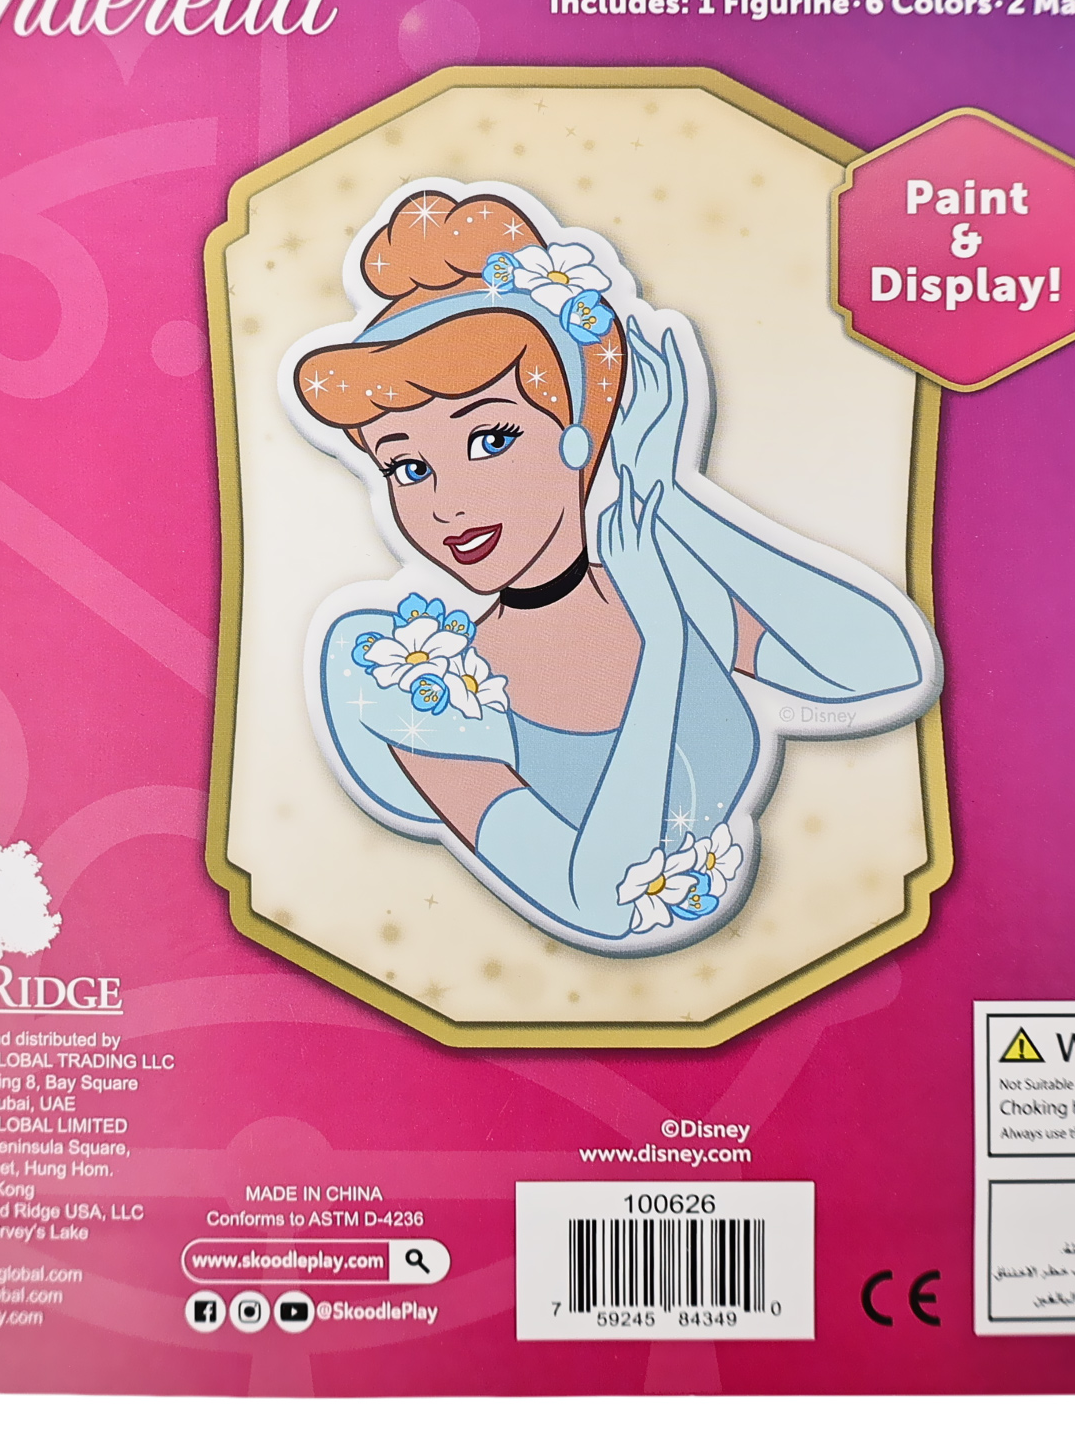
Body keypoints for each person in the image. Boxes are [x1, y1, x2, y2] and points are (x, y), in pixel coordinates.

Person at [285, 185, 940, 953]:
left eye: (491, 439)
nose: (448, 503)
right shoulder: (411, 679)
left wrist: (672, 497)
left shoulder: (666, 577)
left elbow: (885, 670)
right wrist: (662, 646)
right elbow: (598, 899)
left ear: (577, 434)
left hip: (825, 928)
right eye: (408, 467)